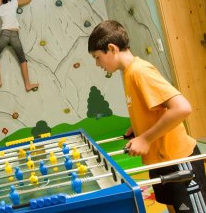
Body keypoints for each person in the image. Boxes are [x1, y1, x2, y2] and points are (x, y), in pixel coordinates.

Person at [88, 20, 206, 212]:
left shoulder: (139, 71)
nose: (97, 64)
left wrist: (146, 138)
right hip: (161, 161)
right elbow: (155, 108)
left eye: (97, 57)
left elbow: (182, 108)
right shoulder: (128, 73)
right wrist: (139, 128)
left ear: (111, 48)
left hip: (178, 159)